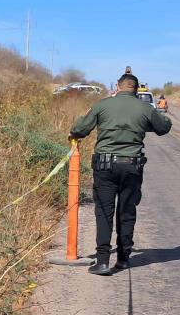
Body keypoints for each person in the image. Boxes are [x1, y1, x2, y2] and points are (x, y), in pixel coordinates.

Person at [68, 72, 172, 275]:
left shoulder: (102, 105)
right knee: (126, 212)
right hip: (132, 167)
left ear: (118, 86)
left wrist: (75, 134)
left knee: (104, 212)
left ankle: (103, 261)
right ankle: (124, 260)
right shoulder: (145, 108)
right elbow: (164, 128)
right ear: (136, 88)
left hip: (105, 167)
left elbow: (79, 129)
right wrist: (144, 123)